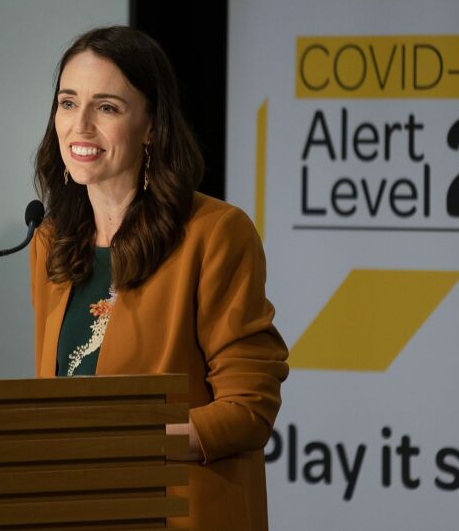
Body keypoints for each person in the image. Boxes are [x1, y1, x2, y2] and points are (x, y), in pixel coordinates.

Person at [29, 26, 289, 531]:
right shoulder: (51, 240)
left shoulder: (213, 234)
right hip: (75, 509)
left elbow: (249, 406)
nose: (79, 126)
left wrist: (132, 443)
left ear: (151, 125)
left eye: (106, 107)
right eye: (67, 102)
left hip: (179, 512)